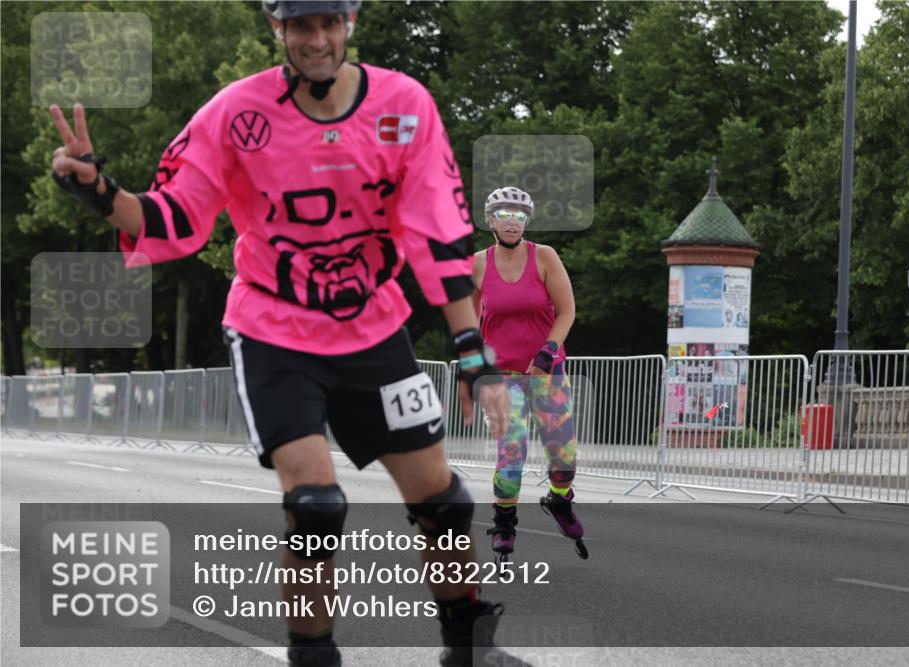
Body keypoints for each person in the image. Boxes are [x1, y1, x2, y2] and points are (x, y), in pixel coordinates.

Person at [48, 2, 518, 666]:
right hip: (275, 328)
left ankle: (469, 645)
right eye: (301, 26)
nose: (316, 39)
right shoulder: (237, 113)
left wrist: (474, 353)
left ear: (351, 24)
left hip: (373, 326)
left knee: (443, 501)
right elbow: (176, 211)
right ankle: (312, 655)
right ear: (278, 30)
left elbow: (436, 233)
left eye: (329, 23)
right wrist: (101, 189)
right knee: (316, 504)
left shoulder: (405, 104)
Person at [471, 187, 587, 561]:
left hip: (547, 372)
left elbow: (567, 311)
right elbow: (468, 321)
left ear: (526, 222)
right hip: (502, 375)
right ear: (490, 220)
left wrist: (548, 349)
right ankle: (504, 521)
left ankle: (559, 500)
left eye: (519, 215)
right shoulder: (476, 264)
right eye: (504, 214)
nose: (511, 221)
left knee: (564, 457)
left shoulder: (545, 258)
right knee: (512, 452)